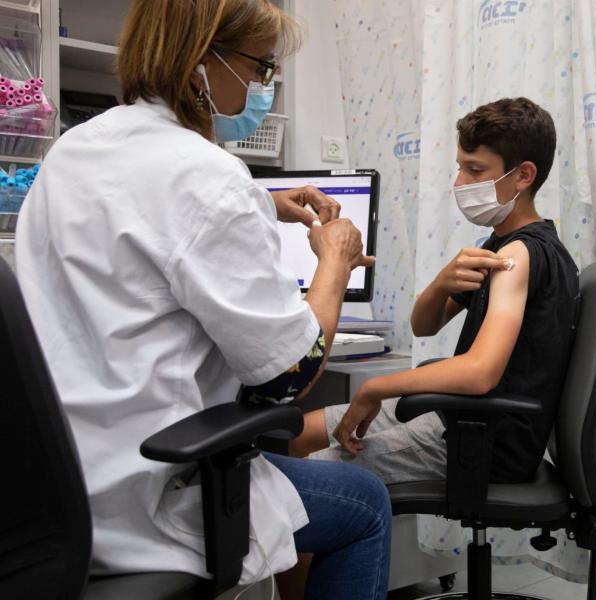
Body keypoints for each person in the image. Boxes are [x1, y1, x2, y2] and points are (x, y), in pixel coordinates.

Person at [14, 1, 390, 598]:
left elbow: (142, 221)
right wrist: (335, 263)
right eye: (262, 67)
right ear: (201, 63)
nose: (266, 85)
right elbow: (288, 376)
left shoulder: (75, 150)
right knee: (364, 502)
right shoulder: (207, 173)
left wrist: (262, 203)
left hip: (51, 489)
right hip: (147, 496)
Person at [289, 97, 580, 489]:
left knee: (303, 484)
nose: (459, 183)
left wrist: (375, 388)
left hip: (484, 440)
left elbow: (479, 373)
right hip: (458, 415)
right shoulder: (497, 245)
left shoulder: (520, 254)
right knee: (295, 434)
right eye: (460, 167)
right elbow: (422, 325)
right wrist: (443, 280)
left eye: (475, 170)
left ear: (523, 175)